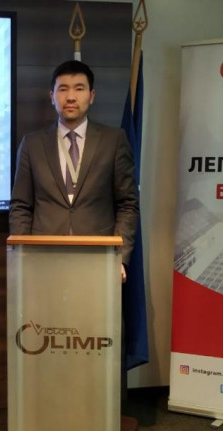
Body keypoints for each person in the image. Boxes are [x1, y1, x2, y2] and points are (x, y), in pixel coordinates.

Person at [9, 60, 139, 281]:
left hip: (99, 257)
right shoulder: (32, 144)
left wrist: (120, 256)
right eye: (63, 89)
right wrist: (22, 255)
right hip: (44, 258)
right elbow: (21, 206)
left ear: (91, 96)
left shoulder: (114, 141)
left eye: (79, 88)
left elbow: (127, 204)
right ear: (52, 96)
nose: (70, 97)